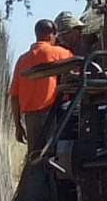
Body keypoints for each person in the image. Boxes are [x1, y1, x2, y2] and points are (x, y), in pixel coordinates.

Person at [12, 17, 72, 163]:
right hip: (52, 113)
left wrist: (18, 125)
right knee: (53, 156)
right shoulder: (60, 53)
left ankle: (37, 184)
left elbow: (14, 95)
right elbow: (78, 72)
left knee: (35, 157)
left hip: (30, 117)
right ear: (51, 34)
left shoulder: (22, 60)